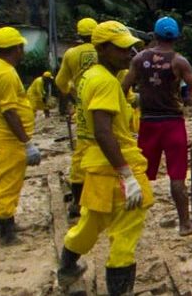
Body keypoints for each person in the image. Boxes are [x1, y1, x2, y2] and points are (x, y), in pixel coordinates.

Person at [58, 22, 154, 296]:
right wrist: (127, 175)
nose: (130, 54)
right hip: (116, 163)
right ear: (101, 49)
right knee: (126, 230)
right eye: (122, 48)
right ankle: (119, 290)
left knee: (91, 222)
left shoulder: (90, 75)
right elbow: (103, 130)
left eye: (131, 47)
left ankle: (67, 268)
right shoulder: (106, 82)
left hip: (96, 164)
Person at [122, 17, 192, 236]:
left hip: (148, 123)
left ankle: (126, 222)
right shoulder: (179, 62)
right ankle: (184, 225)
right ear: (177, 37)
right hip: (172, 124)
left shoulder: (140, 59)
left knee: (140, 174)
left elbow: (121, 88)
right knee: (177, 177)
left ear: (154, 35)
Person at [0, 27, 40, 245]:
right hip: (7, 135)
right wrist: (27, 142)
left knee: (7, 180)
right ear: (16, 48)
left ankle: (7, 219)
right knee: (7, 183)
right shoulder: (4, 72)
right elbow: (9, 111)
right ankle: (5, 231)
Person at [55, 17, 99, 219]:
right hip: (107, 104)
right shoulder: (106, 51)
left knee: (82, 153)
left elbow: (61, 81)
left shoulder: (71, 54)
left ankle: (78, 202)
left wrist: (73, 96)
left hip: (84, 108)